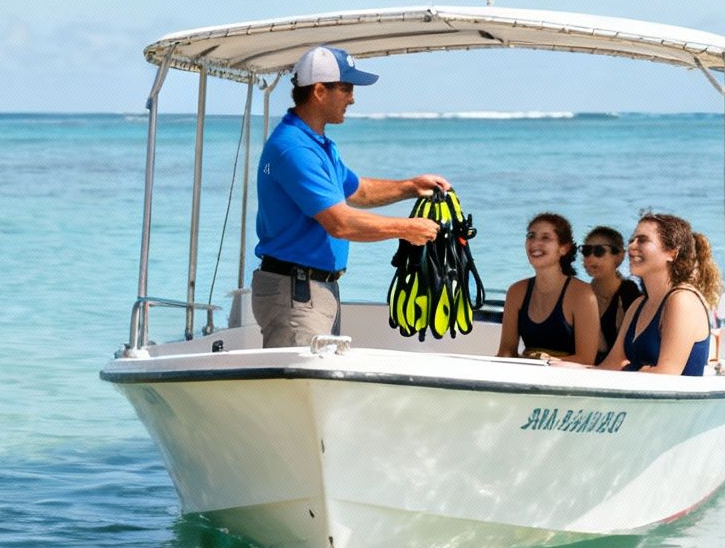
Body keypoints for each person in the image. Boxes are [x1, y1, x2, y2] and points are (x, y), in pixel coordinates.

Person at [252, 45, 450, 347]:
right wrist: (406, 229)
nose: (352, 98)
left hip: (312, 290)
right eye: (346, 89)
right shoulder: (296, 149)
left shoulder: (316, 144)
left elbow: (358, 190)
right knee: (300, 391)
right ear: (319, 91)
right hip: (296, 293)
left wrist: (411, 186)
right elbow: (340, 223)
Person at [595, 212, 718, 376]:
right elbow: (609, 366)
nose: (631, 246)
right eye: (632, 240)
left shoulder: (682, 301)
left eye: (643, 240)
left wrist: (633, 370)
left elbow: (666, 376)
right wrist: (554, 365)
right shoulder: (638, 305)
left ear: (672, 253)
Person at [495, 212, 599, 361]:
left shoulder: (582, 294)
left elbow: (586, 360)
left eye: (545, 237)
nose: (535, 243)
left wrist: (546, 361)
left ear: (564, 248)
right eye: (531, 236)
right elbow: (506, 353)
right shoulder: (516, 292)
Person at [579, 224, 644, 364]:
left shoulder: (629, 294)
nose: (590, 257)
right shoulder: (580, 294)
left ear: (619, 257)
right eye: (586, 251)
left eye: (599, 251)